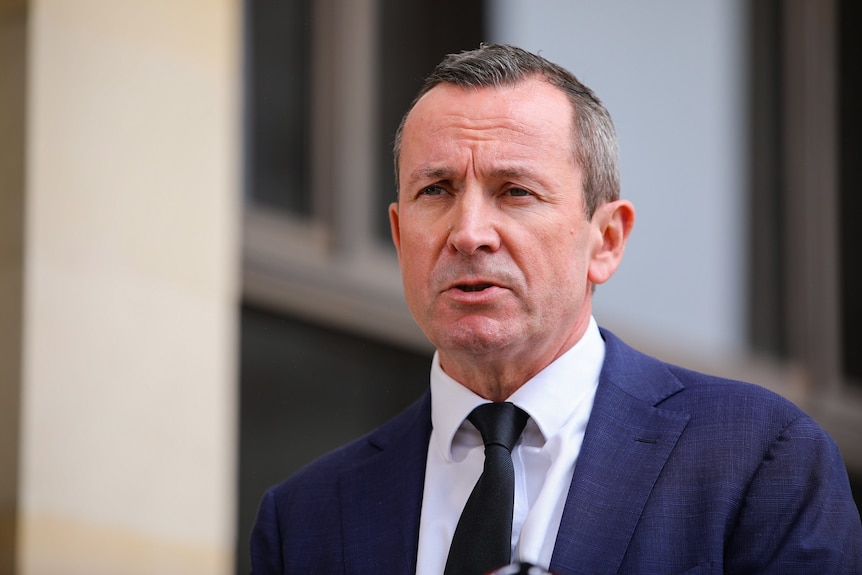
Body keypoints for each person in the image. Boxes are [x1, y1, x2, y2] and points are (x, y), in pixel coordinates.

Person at [250, 44, 862, 574]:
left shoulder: (759, 458)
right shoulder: (305, 518)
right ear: (398, 235)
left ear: (607, 240)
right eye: (435, 190)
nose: (469, 233)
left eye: (515, 191)